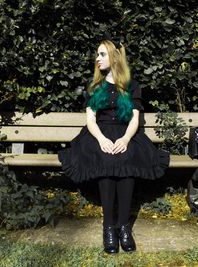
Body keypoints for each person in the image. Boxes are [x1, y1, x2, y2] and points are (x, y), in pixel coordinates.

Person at [58, 33, 169, 254]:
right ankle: (109, 227)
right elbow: (90, 119)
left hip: (126, 131)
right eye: (97, 55)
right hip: (98, 132)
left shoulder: (131, 85)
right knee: (105, 158)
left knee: (127, 158)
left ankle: (123, 226)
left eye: (102, 54)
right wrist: (101, 139)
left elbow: (135, 119)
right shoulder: (94, 87)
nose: (97, 59)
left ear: (114, 57)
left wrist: (126, 139)